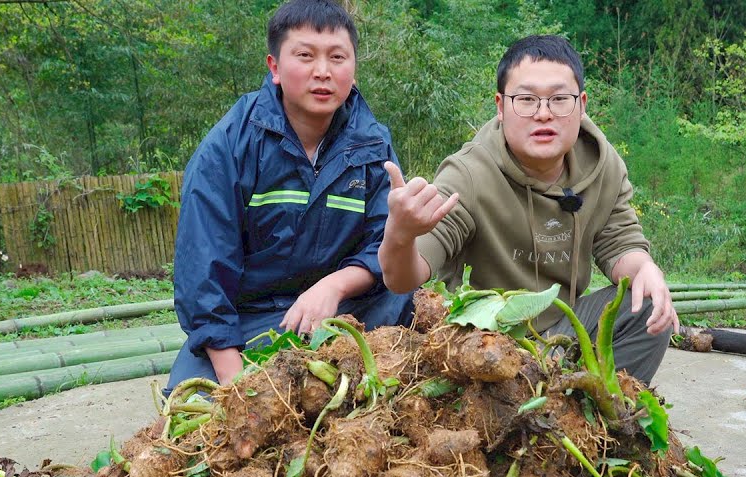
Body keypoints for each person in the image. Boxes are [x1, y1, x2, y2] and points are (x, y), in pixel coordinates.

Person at [378, 35, 679, 384]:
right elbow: (403, 279)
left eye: (559, 99)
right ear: (500, 106)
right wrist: (400, 234)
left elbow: (620, 243)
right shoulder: (469, 174)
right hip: (484, 342)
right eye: (526, 99)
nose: (544, 113)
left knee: (643, 303)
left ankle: (602, 418)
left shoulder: (602, 164)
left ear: (581, 105)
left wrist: (645, 268)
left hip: (564, 333)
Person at [167, 0, 410, 393]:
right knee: (198, 407)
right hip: (251, 321)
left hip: (347, 311)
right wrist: (235, 386)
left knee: (406, 317)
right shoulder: (231, 144)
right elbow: (203, 271)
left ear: (353, 68)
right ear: (275, 67)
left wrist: (333, 287)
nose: (322, 72)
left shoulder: (373, 144)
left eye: (337, 57)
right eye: (305, 55)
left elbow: (385, 244)